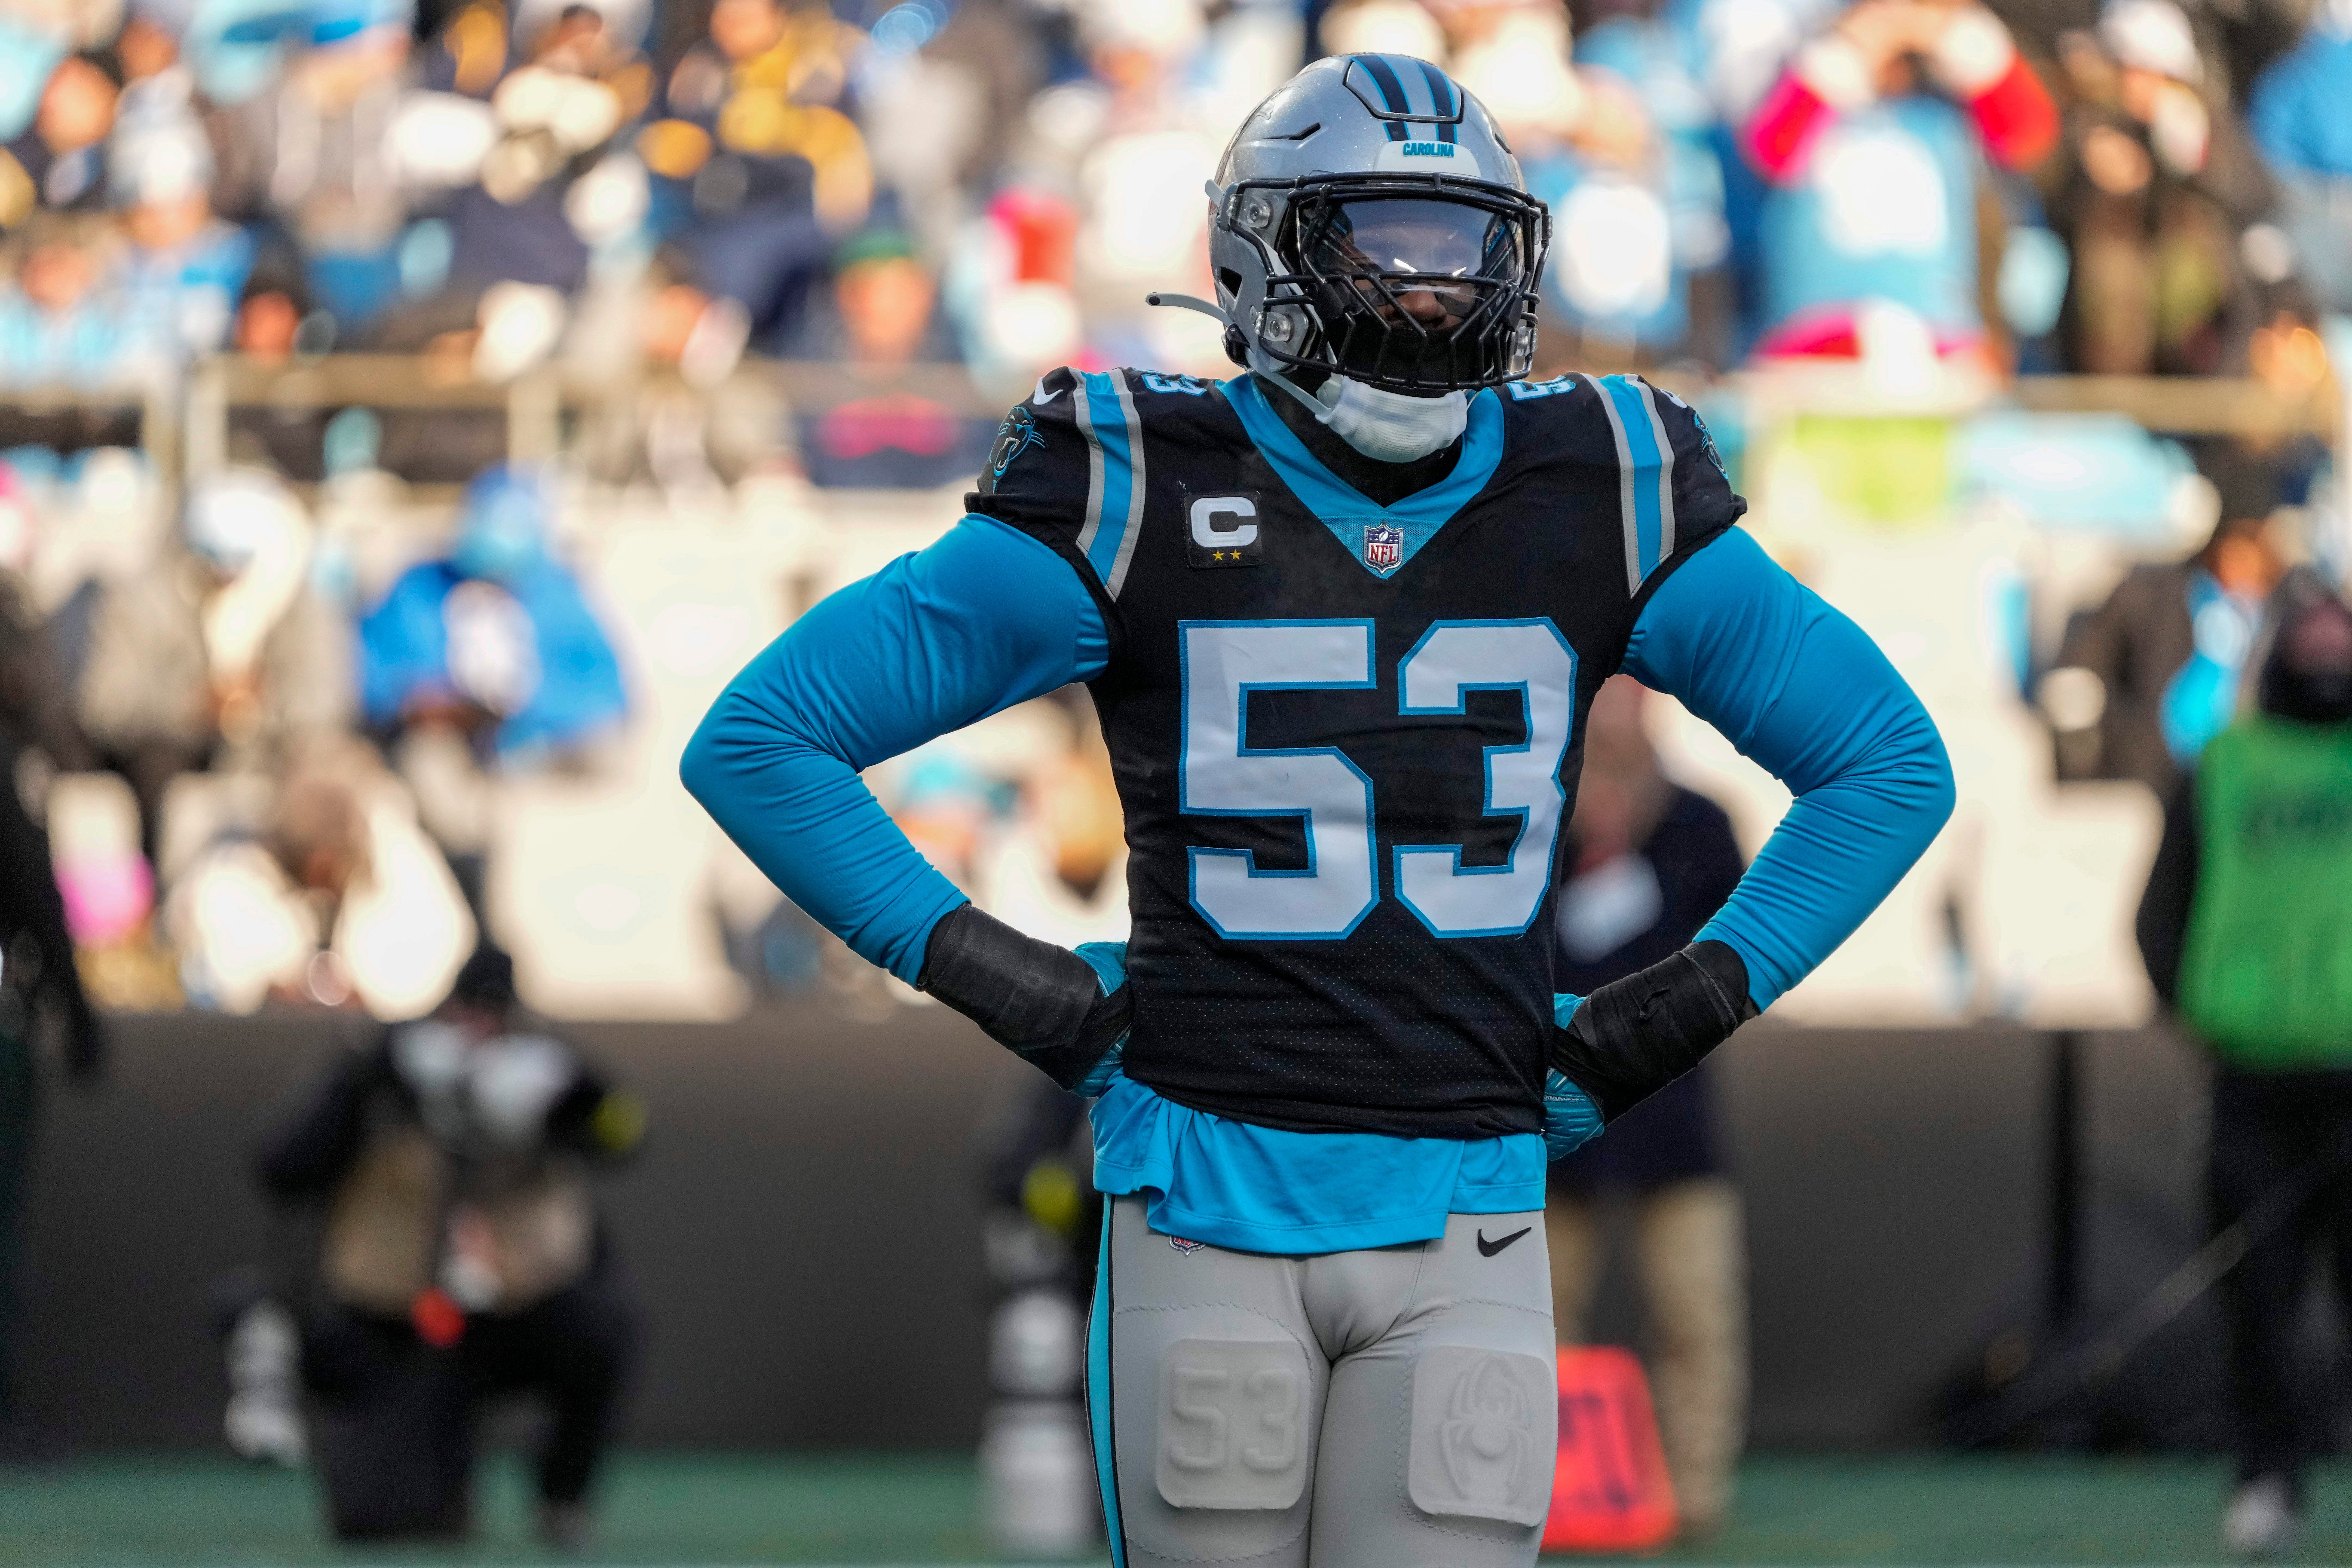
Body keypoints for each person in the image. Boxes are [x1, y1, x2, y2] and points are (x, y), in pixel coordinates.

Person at [683, 54, 1953, 1568]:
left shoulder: (1600, 472)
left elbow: (1886, 760)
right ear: (1264, 253)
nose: (1431, 295)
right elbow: (761, 739)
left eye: (1462, 248)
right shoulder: (1135, 475)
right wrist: (1018, 990)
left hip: (1466, 1198)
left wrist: (1655, 1019)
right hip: (1214, 1187)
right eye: (1388, 247)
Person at [252, 948, 642, 1543]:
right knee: (391, 1521)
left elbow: (627, 1134)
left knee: (600, 1330)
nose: (477, 1040)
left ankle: (562, 1496)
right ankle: (436, 1488)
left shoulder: (547, 1073)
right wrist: (363, 1080)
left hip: (516, 1309)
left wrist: (577, 1095)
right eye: (466, 1022)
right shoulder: (384, 1074)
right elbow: (281, 1169)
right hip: (403, 1321)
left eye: (494, 1025)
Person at [2134, 581, 2352, 1559]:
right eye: (2305, 632)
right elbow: (2159, 910)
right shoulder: (2223, 764)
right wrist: (2205, 1011)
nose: (2322, 649)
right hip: (2252, 1084)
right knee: (2256, 1297)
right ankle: (2265, 1475)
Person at [1545, 676, 1748, 1541]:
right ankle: (1538, 1486)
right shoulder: (1532, 820)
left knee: (1698, 1309)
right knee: (1537, 1312)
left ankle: (1695, 1489)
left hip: (1671, 1112)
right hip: (1554, 1112)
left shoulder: (1697, 824)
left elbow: (1735, 956)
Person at [1741, 0, 2057, 367]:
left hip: (1937, 342)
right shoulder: (1811, 81)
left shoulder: (1948, 106)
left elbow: (2029, 136)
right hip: (1819, 342)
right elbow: (1771, 150)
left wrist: (1945, 30)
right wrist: (1858, 42)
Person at [2044, 448, 2288, 798]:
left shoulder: (2292, 610)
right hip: (2153, 784)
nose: (2243, 561)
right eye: (2234, 544)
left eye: (2255, 546)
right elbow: (2081, 669)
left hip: (2249, 789)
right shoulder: (2151, 596)